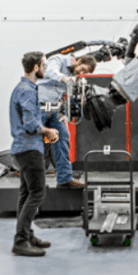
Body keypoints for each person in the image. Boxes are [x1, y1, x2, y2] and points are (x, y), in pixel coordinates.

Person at [9, 51, 60, 257]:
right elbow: (31, 125)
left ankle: (27, 235)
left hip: (22, 148)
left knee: (26, 194)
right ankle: (21, 241)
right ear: (36, 68)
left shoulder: (21, 88)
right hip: (30, 148)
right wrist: (49, 130)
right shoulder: (28, 91)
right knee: (37, 193)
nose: (45, 69)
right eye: (44, 66)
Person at [37, 53, 97, 189]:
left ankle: (64, 179)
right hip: (38, 107)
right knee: (35, 142)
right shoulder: (58, 60)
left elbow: (65, 95)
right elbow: (51, 72)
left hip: (54, 109)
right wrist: (65, 78)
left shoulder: (73, 75)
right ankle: (33, 182)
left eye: (85, 72)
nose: (81, 73)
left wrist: (64, 112)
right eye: (82, 68)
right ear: (79, 60)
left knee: (63, 136)